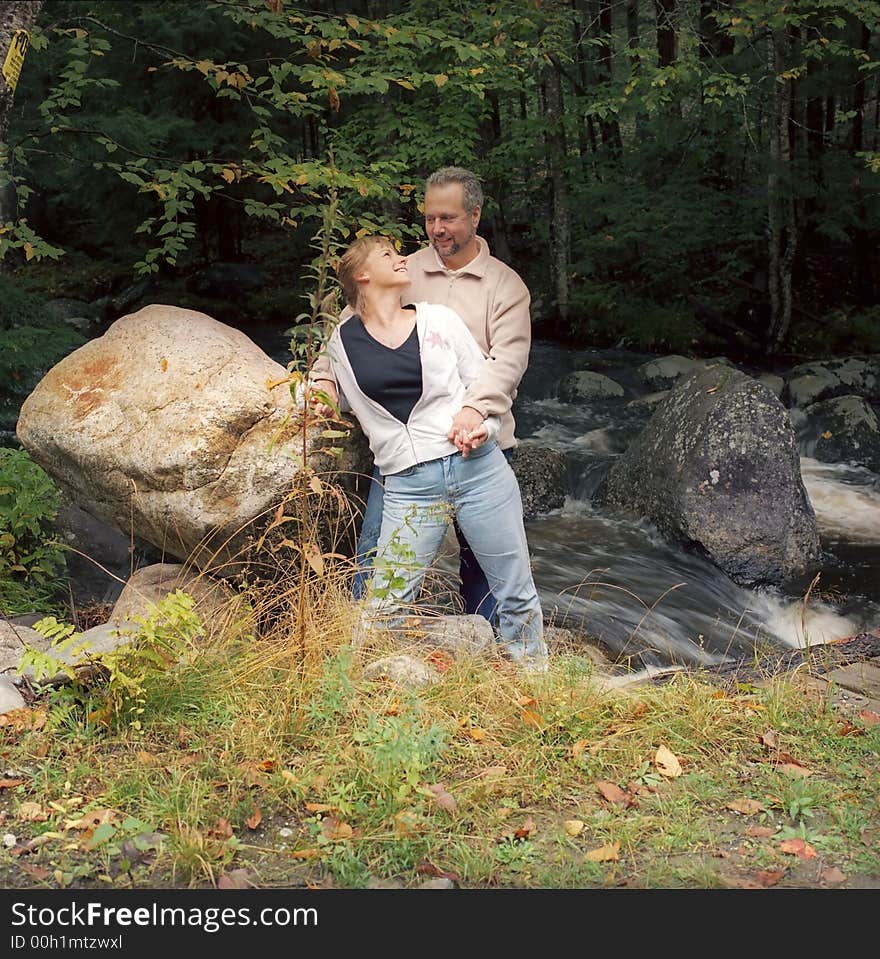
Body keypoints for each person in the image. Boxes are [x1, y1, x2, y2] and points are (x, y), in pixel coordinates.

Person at [312, 167, 531, 623]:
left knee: (485, 570)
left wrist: (474, 410)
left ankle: (488, 660)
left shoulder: (504, 286)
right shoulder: (403, 269)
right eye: (430, 218)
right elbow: (354, 330)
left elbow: (506, 361)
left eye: (448, 218)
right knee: (375, 553)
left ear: (475, 215)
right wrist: (324, 379)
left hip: (478, 443)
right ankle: (361, 650)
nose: (437, 229)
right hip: (407, 456)